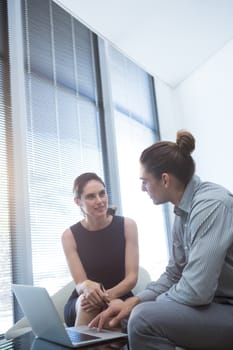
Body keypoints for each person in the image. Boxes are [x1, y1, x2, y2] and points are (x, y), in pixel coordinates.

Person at [89, 131, 233, 350]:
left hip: (227, 308)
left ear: (165, 179)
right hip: (216, 305)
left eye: (144, 182)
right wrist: (133, 302)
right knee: (127, 316)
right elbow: (175, 273)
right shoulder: (183, 214)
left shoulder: (211, 205)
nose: (142, 188)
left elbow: (196, 290)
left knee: (143, 318)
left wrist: (139, 307)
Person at [62, 172, 139, 328]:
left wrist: (103, 297)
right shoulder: (69, 236)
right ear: (78, 202)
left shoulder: (127, 226)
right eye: (91, 197)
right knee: (86, 302)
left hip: (120, 296)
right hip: (82, 301)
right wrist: (87, 290)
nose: (100, 201)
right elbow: (80, 283)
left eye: (102, 194)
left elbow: (131, 278)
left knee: (112, 308)